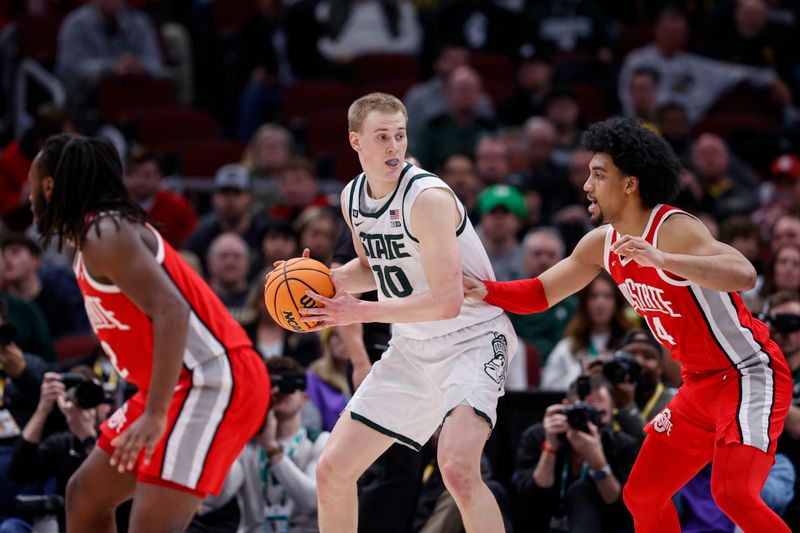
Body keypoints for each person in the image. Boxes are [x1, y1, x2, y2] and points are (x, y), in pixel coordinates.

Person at [464, 117, 793, 532]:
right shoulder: (600, 243)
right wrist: (484, 290)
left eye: (598, 174)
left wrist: (663, 260)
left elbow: (744, 274)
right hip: (698, 385)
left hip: (746, 373)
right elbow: (541, 293)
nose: (587, 185)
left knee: (732, 493)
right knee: (643, 494)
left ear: (629, 184)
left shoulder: (673, 228)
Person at [293, 93, 518, 532]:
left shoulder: (428, 198)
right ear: (355, 141)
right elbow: (372, 266)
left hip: (472, 341)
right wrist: (327, 280)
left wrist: (357, 311)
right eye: (382, 137)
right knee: (332, 470)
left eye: (400, 135)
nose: (394, 146)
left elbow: (447, 301)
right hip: (413, 348)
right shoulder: (352, 197)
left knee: (457, 470)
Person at [28, 134, 270, 532]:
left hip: (211, 378)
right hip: (174, 384)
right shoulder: (92, 237)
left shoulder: (105, 232)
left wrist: (155, 414)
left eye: (32, 182)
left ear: (50, 186)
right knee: (85, 495)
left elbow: (171, 311)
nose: (28, 192)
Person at [513, 374, 639, 532]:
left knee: (581, 490)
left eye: (599, 415)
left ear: (611, 414)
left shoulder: (621, 445)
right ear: (565, 407)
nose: (590, 423)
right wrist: (550, 447)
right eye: (581, 413)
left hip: (599, 527)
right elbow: (529, 504)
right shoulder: (537, 437)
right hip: (543, 526)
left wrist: (598, 463)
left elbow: (621, 511)